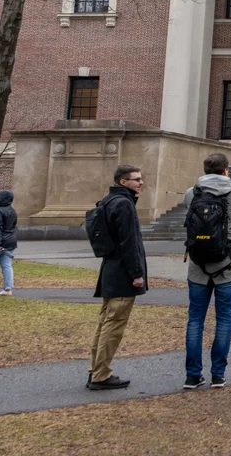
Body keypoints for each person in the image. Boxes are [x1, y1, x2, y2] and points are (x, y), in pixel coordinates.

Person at [182, 153, 231, 389]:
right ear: (226, 170)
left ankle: (192, 375)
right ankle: (218, 374)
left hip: (198, 265)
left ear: (205, 170)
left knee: (195, 319)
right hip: (227, 264)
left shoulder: (192, 193)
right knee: (224, 319)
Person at [88, 165, 148, 390]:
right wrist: (137, 274)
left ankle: (95, 369)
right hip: (122, 272)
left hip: (110, 269)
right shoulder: (124, 204)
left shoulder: (108, 200)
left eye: (140, 179)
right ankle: (101, 374)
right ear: (123, 182)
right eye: (136, 180)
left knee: (105, 322)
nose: (140, 183)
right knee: (113, 324)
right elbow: (129, 242)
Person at [0, 189, 16, 296]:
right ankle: (8, 289)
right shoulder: (12, 211)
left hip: (1, 240)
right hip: (11, 240)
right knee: (6, 265)